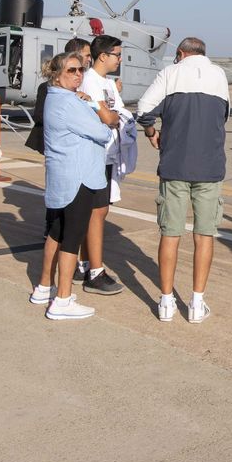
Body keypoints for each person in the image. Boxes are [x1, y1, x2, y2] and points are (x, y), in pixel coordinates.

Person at [136, 36, 229, 324]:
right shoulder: (219, 74)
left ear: (180, 53)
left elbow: (143, 111)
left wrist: (153, 133)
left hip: (175, 166)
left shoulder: (170, 73)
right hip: (210, 168)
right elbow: (223, 116)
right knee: (204, 235)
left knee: (171, 233)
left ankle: (166, 302)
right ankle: (197, 303)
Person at [30, 51, 115, 320]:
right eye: (71, 71)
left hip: (62, 177)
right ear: (56, 74)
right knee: (72, 238)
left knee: (57, 231)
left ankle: (45, 286)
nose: (78, 75)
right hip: (78, 177)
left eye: (81, 70)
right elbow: (103, 131)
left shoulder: (56, 98)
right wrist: (92, 107)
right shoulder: (70, 103)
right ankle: (63, 299)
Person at [75, 34, 130, 296]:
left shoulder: (106, 83)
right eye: (117, 54)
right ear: (103, 56)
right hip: (95, 155)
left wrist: (115, 116)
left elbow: (120, 113)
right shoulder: (91, 81)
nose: (120, 59)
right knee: (97, 212)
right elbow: (109, 116)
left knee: (99, 211)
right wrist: (114, 116)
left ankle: (84, 263)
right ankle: (95, 273)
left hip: (107, 155)